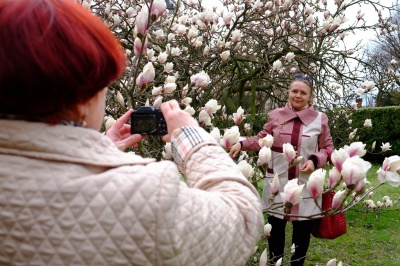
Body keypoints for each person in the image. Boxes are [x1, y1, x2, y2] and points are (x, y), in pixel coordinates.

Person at [0, 0, 264, 265]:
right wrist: (192, 138)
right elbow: (242, 219)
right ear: (83, 101)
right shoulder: (146, 194)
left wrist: (95, 152)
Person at [229, 74, 334, 265]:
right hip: (278, 183)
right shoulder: (276, 115)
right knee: (275, 229)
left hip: (305, 185)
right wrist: (242, 144)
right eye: (295, 91)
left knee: (301, 233)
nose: (298, 95)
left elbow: (328, 149)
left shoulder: (320, 119)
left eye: (303, 93)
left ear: (310, 97)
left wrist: (314, 159)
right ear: (289, 93)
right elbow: (262, 139)